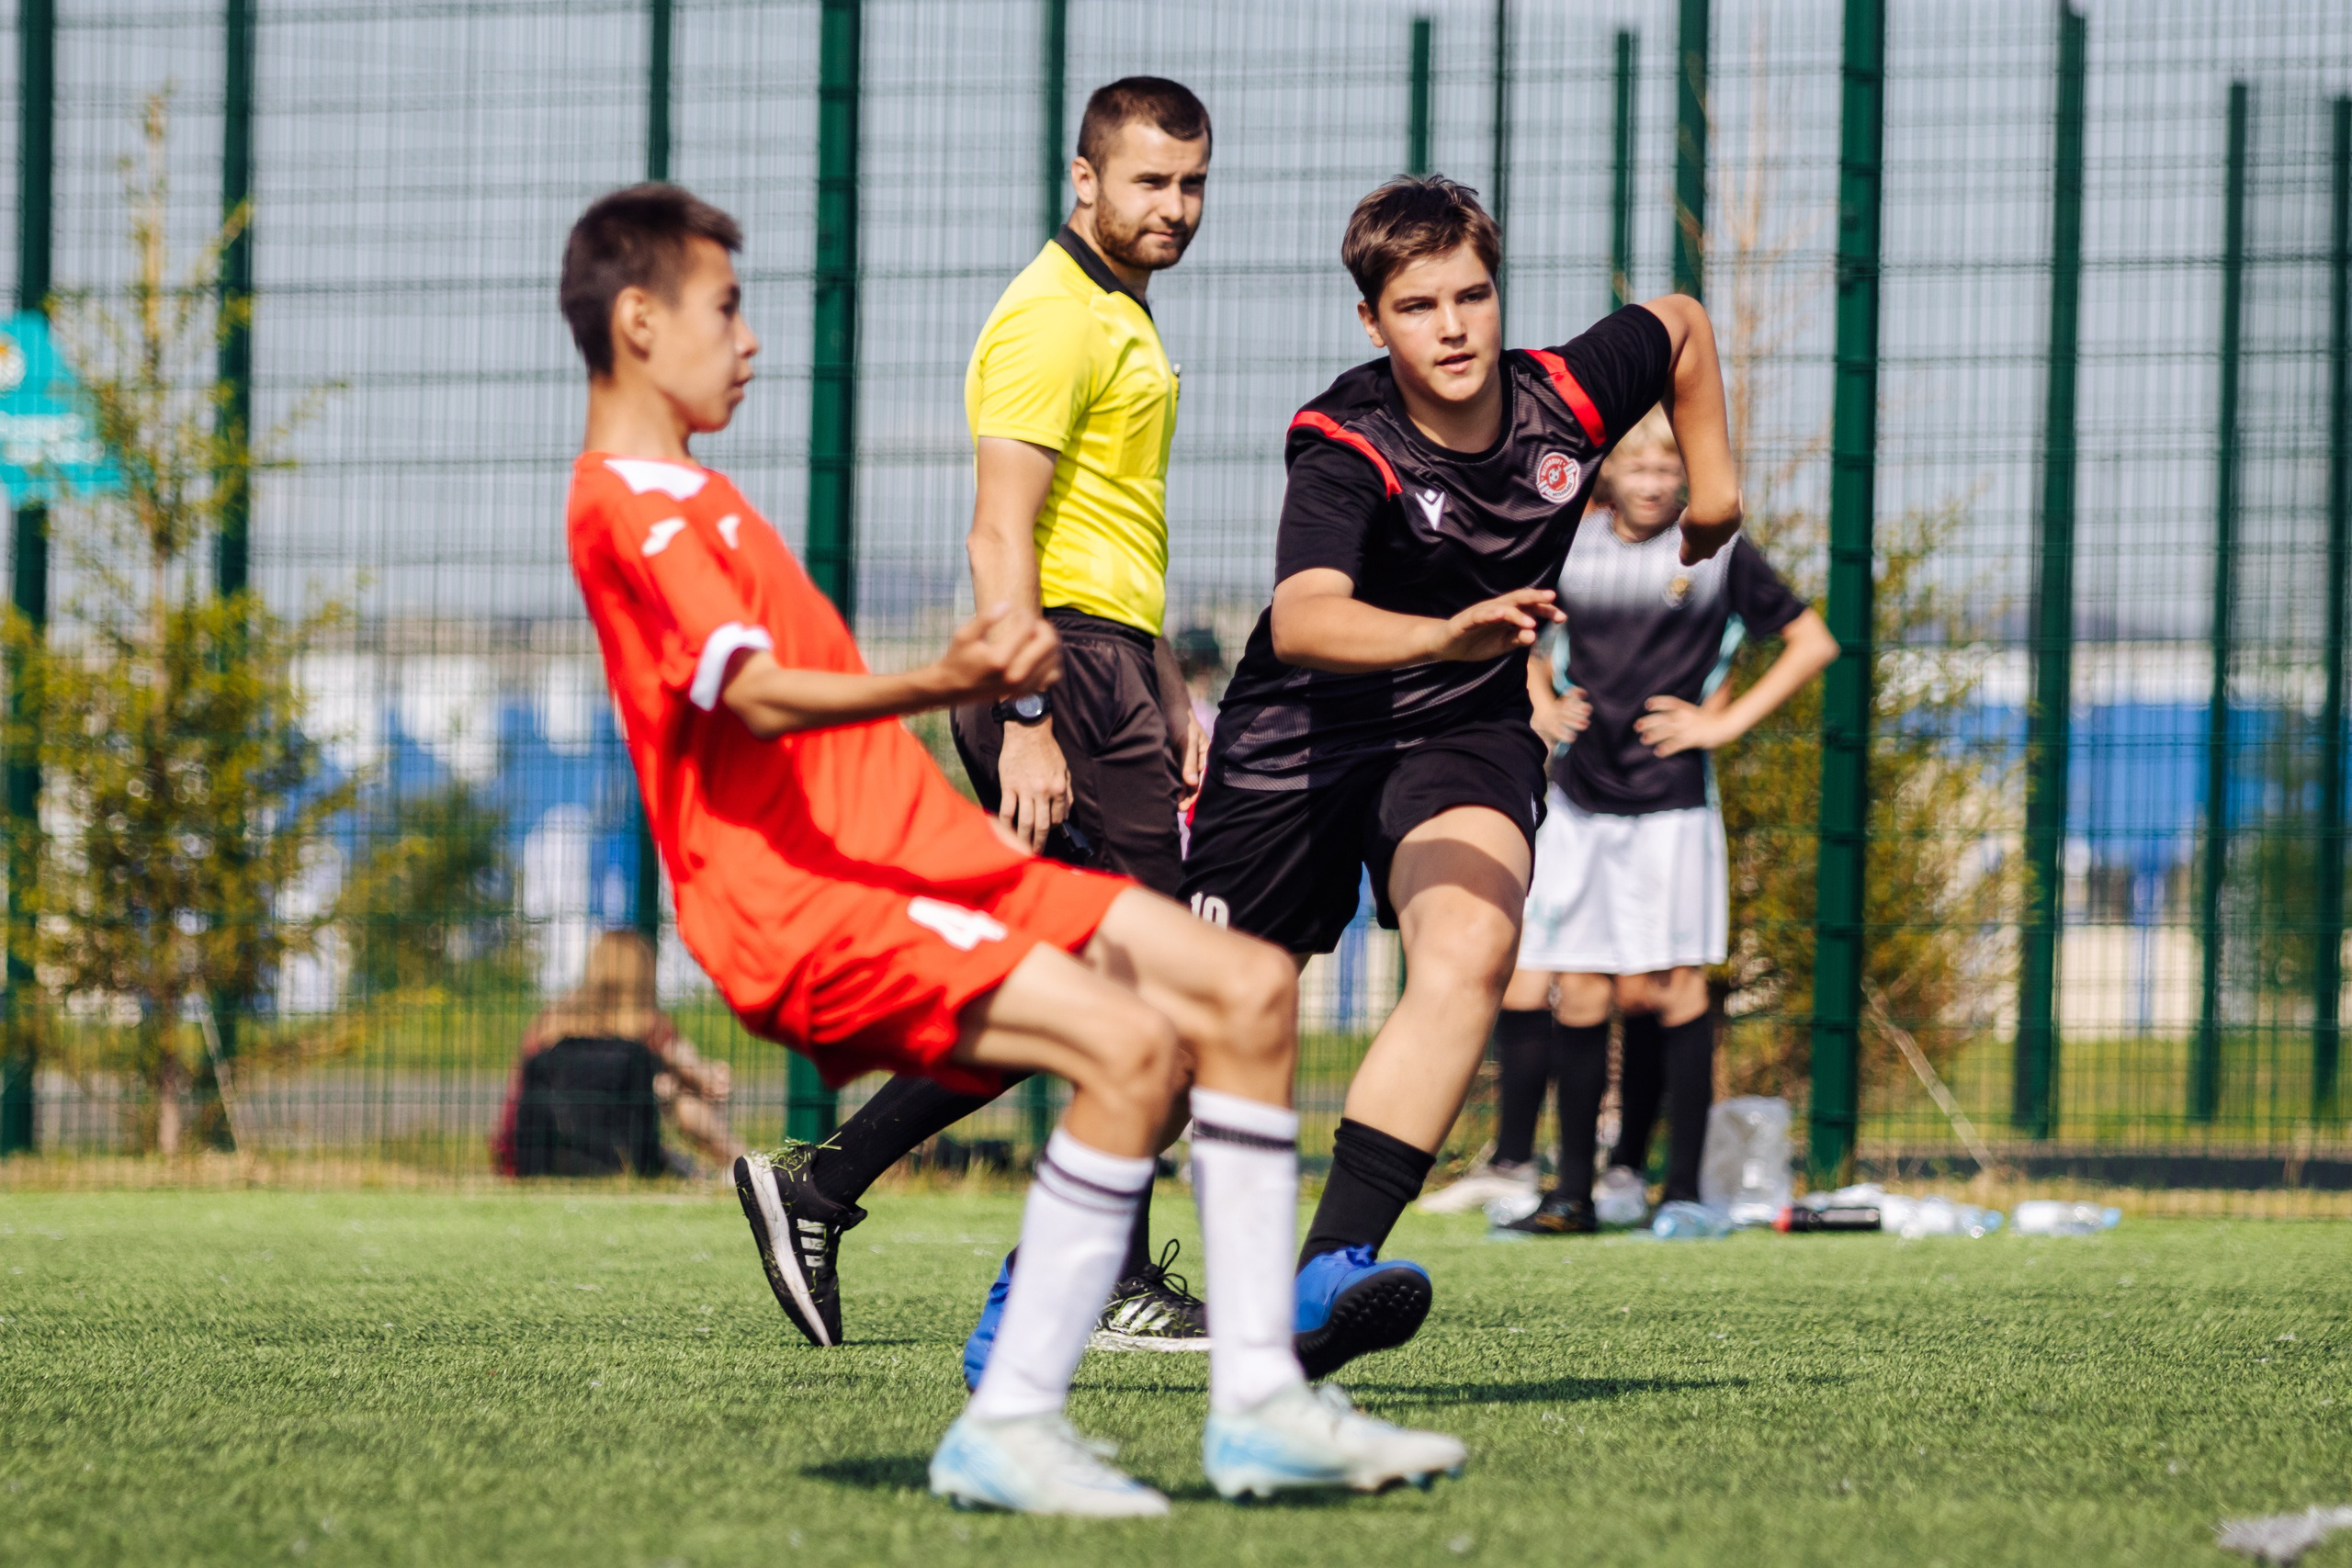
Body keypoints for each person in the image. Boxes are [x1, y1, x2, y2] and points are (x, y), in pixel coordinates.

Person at [559, 182, 1464, 1513]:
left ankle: (1264, 1400)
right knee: (1131, 1044)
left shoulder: (696, 492)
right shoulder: (631, 507)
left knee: (1243, 986)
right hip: (815, 903)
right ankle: (1015, 1415)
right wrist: (955, 678)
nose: (749, 340)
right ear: (639, 321)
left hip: (929, 860)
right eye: (727, 309)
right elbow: (746, 693)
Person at [1180, 175, 1745, 1377]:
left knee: (1474, 946)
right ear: (1373, 323)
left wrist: (1718, 497)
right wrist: (1446, 630)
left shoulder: (1567, 397)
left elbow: (1686, 324)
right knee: (1206, 1024)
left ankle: (1327, 1273)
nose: (1453, 325)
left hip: (1462, 733)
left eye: (1473, 294)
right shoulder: (1345, 440)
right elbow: (1310, 613)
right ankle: (1056, 1256)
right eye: (1419, 303)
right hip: (1301, 740)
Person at [734, 77, 1216, 1359]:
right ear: (1084, 180)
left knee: (1066, 992)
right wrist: (1030, 715)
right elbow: (1002, 531)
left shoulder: (1119, 312)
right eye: (1150, 182)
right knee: (1159, 987)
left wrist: (1169, 686)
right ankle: (1107, 1276)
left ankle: (819, 1187)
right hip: (1062, 677)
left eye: (1192, 183)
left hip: (1110, 671)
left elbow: (1108, 532)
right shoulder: (1051, 318)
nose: (1175, 207)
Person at [1484, 406, 1837, 1234]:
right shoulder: (1568, 544)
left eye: (1666, 470)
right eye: (1636, 468)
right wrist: (1542, 704)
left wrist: (1719, 725)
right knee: (1578, 983)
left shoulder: (1718, 558)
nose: (1651, 483)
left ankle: (1677, 1191)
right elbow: (1516, 630)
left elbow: (1811, 641)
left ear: (1686, 478)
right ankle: (1569, 1191)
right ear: (1610, 473)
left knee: (1675, 985)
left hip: (1675, 804)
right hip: (1577, 798)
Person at [492, 928, 741, 1177]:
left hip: (542, 1154)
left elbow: (519, 1093)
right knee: (676, 1094)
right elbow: (701, 1075)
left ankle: (728, 1167)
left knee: (664, 1089)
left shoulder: (551, 1022)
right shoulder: (649, 1027)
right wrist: (696, 1079)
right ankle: (741, 1163)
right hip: (623, 1157)